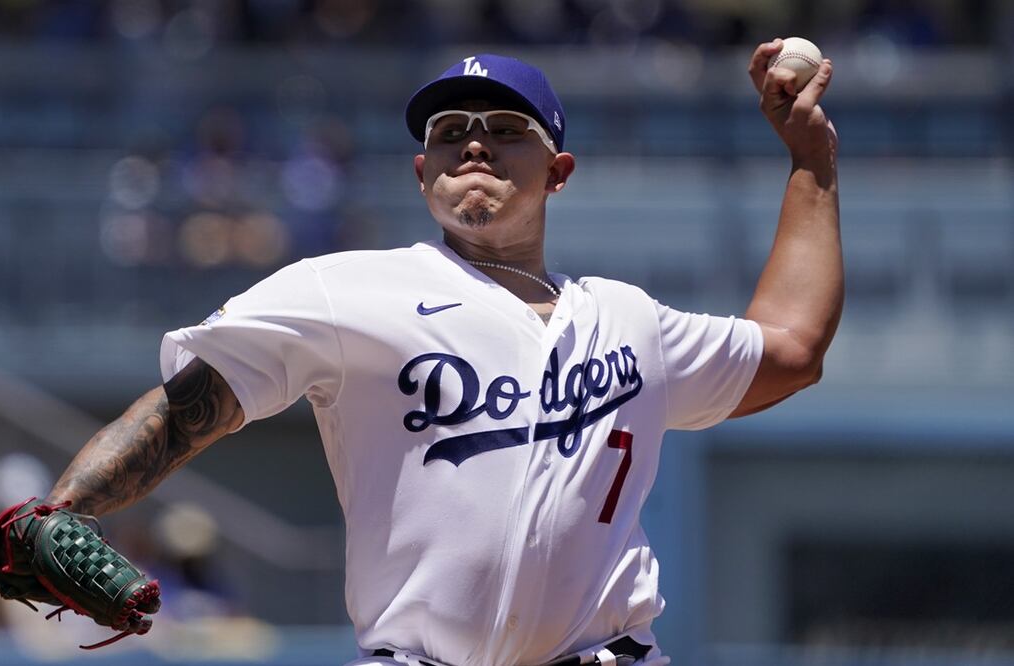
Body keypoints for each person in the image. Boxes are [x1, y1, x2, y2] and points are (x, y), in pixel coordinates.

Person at [42, 42, 841, 666]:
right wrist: (63, 511)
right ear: (423, 172)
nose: (474, 145)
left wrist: (811, 162)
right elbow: (187, 410)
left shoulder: (628, 319)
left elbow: (793, 348)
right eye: (450, 132)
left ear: (557, 171)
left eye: (504, 129)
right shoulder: (347, 290)